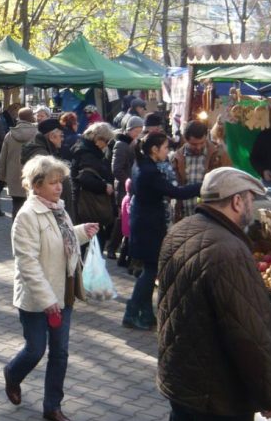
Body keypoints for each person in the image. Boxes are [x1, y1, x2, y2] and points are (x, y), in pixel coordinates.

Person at [156, 167, 271, 421]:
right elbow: (249, 334)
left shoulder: (180, 231)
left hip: (182, 380)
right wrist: (269, 395)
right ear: (237, 200)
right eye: (251, 201)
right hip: (219, 394)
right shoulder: (229, 250)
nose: (253, 209)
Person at [3, 154, 98, 421]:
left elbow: (61, 240)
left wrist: (81, 232)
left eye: (60, 182)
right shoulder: (27, 216)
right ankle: (12, 373)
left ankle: (52, 406)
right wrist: (47, 301)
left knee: (60, 353)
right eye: (53, 182)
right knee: (35, 350)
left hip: (63, 292)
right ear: (36, 185)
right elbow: (28, 263)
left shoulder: (59, 209)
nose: (59, 187)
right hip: (37, 298)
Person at [124, 133, 203, 331]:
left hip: (145, 222)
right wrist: (204, 186)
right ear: (154, 149)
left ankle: (146, 315)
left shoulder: (142, 164)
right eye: (165, 147)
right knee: (150, 271)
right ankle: (132, 313)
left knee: (150, 269)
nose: (168, 151)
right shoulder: (149, 171)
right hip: (149, 226)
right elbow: (176, 192)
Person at [170, 121, 231, 223]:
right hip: (185, 216)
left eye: (202, 143)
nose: (198, 147)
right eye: (194, 144)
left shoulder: (219, 155)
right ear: (186, 139)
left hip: (211, 216)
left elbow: (227, 183)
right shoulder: (177, 157)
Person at [70, 122, 116, 247]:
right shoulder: (87, 153)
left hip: (86, 203)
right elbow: (85, 178)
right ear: (97, 139)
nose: (106, 144)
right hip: (88, 204)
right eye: (106, 141)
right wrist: (104, 186)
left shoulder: (85, 148)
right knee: (91, 242)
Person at [108, 115, 145, 262]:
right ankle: (112, 247)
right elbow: (116, 169)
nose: (138, 133)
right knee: (122, 220)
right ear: (129, 129)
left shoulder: (135, 143)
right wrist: (128, 182)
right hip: (124, 188)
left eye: (140, 130)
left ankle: (124, 254)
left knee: (128, 220)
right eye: (136, 130)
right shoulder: (122, 144)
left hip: (132, 186)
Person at [22, 117, 73, 215]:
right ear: (52, 137)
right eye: (61, 136)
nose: (62, 139)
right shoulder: (42, 157)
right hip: (48, 209)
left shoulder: (44, 150)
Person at [0, 108, 38, 216]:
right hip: (32, 174)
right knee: (32, 205)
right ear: (31, 117)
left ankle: (16, 228)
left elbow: (3, 156)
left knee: (16, 204)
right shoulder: (37, 134)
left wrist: (1, 175)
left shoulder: (10, 135)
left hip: (13, 174)